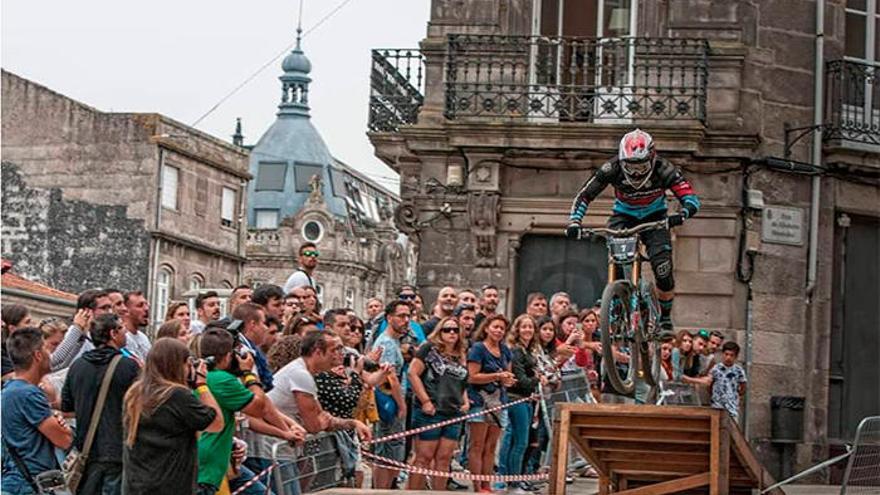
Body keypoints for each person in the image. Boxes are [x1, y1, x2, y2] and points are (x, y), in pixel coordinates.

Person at [566, 128, 700, 332]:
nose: (636, 172)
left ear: (652, 158)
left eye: (641, 166)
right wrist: (575, 222)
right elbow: (584, 195)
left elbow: (690, 198)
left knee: (663, 270)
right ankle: (617, 301)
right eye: (630, 166)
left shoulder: (665, 169)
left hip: (656, 218)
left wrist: (682, 214)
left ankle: (664, 317)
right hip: (624, 217)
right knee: (617, 257)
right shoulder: (610, 168)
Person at [122, 338, 224, 494]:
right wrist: (201, 384)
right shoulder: (177, 395)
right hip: (171, 484)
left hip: (136, 484)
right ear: (178, 365)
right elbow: (216, 423)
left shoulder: (134, 393)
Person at [196, 327, 288, 495]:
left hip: (214, 461)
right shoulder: (222, 380)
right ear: (228, 356)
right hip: (209, 466)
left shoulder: (201, 376)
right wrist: (248, 373)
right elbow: (258, 408)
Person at [61, 314, 141, 494]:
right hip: (117, 449)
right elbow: (141, 405)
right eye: (122, 328)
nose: (125, 332)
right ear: (113, 333)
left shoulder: (78, 366)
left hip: (86, 450)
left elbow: (67, 407)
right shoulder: (128, 366)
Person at [1, 327, 73, 495]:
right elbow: (64, 439)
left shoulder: (11, 390)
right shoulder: (27, 394)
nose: (51, 355)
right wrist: (64, 427)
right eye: (47, 348)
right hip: (27, 484)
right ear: (38, 355)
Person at [407, 316, 469, 491]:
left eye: (455, 330)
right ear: (439, 331)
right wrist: (425, 401)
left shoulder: (462, 353)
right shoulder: (428, 348)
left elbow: (462, 380)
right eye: (447, 329)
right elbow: (412, 373)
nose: (451, 333)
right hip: (431, 410)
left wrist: (465, 401)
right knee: (423, 458)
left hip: (454, 410)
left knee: (444, 459)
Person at [466, 314, 515, 493]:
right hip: (479, 401)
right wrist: (496, 376)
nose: (499, 331)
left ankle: (487, 484)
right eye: (495, 327)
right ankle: (477, 485)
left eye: (502, 328)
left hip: (498, 402)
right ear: (486, 328)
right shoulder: (478, 349)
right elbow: (472, 376)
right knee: (477, 444)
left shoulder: (505, 350)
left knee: (491, 446)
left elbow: (508, 375)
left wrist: (508, 380)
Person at [499, 315, 544, 493]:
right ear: (517, 329)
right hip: (516, 399)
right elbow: (521, 380)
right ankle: (513, 481)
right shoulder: (517, 351)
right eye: (524, 327)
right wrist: (537, 378)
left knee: (521, 441)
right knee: (519, 442)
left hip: (526, 399)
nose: (527, 330)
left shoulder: (528, 351)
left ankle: (516, 478)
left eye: (531, 327)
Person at [370, 301, 411, 489]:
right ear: (389, 318)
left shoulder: (394, 341)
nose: (406, 320)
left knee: (392, 450)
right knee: (387, 451)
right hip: (389, 403)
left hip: (392, 402)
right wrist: (402, 405)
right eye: (401, 316)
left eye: (408, 316)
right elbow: (390, 377)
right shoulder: (386, 342)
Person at [50, 289, 114, 371]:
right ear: (87, 312)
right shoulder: (73, 335)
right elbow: (57, 363)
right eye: (104, 308)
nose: (109, 312)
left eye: (110, 307)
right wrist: (78, 329)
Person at [704, 342, 747, 422]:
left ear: (736, 356)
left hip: (732, 407)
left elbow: (743, 386)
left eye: (731, 355)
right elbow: (709, 385)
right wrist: (715, 395)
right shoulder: (716, 369)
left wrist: (735, 395)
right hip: (717, 406)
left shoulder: (739, 371)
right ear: (723, 354)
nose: (728, 357)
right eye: (726, 354)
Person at [2, 305, 34, 379]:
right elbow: (15, 377)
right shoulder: (3, 353)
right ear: (12, 329)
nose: (32, 326)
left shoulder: (25, 350)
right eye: (27, 322)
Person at [123, 291, 152, 362]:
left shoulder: (144, 338)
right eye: (140, 305)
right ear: (126, 310)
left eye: (146, 304)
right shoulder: (122, 338)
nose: (146, 309)